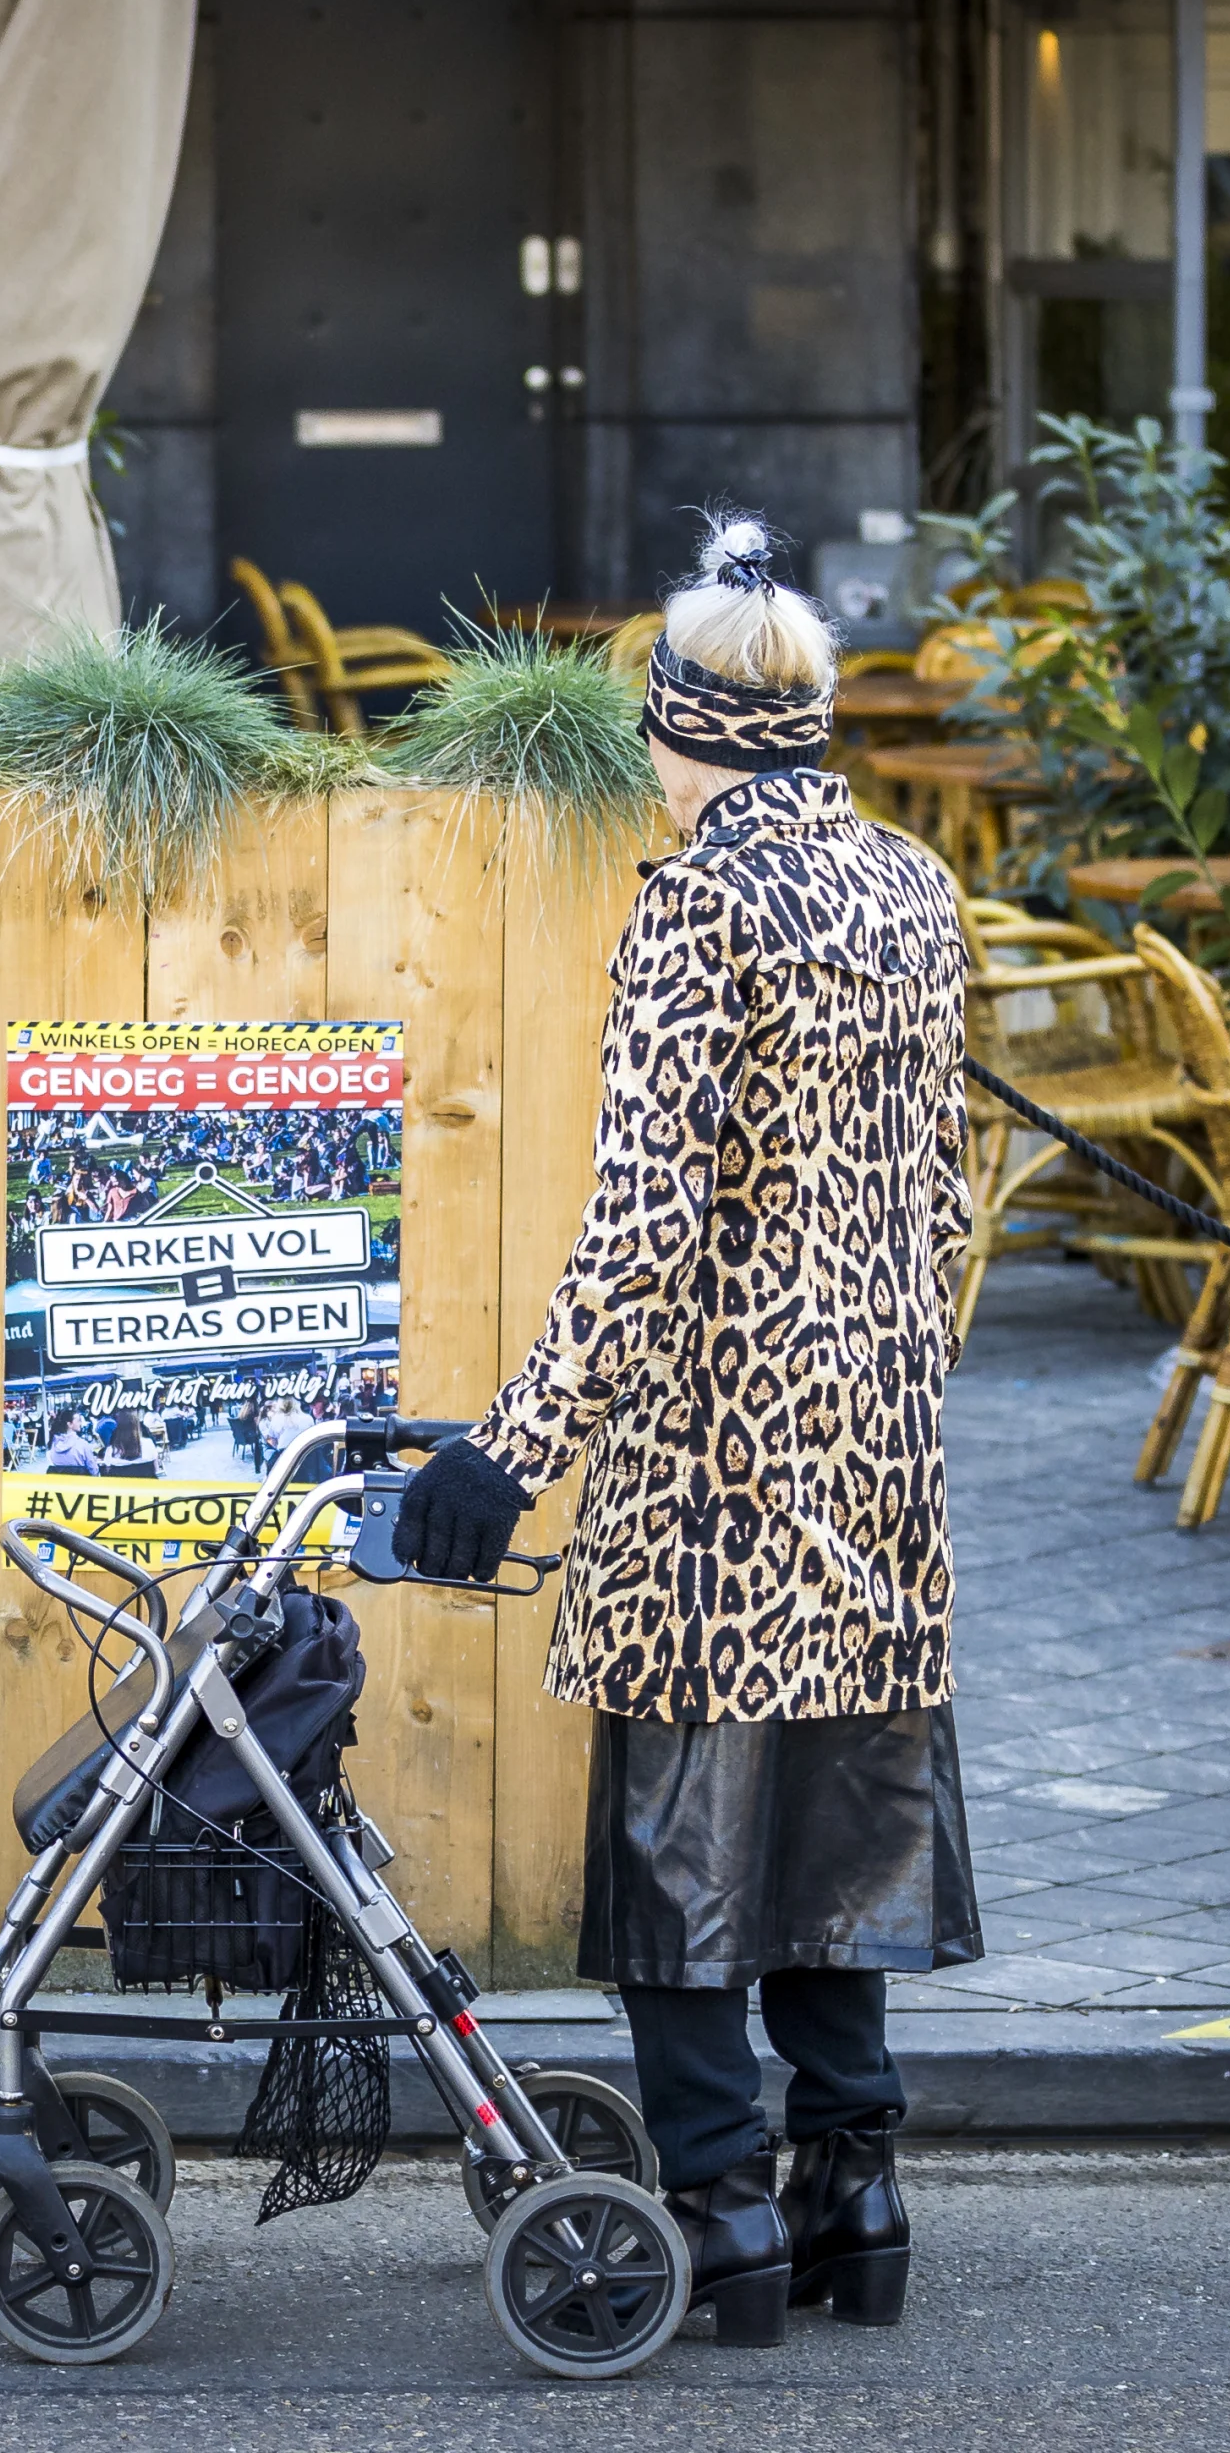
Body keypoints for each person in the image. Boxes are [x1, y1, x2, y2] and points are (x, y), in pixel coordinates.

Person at [394, 512, 978, 2350]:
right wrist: (893, 1370)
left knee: (684, 1838)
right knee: (839, 1814)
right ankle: (855, 2190)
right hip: (879, 1435)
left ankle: (721, 2207)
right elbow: (952, 1196)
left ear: (684, 728)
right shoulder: (913, 884)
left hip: (717, 1447)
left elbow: (644, 1223)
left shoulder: (696, 905)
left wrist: (511, 1448)